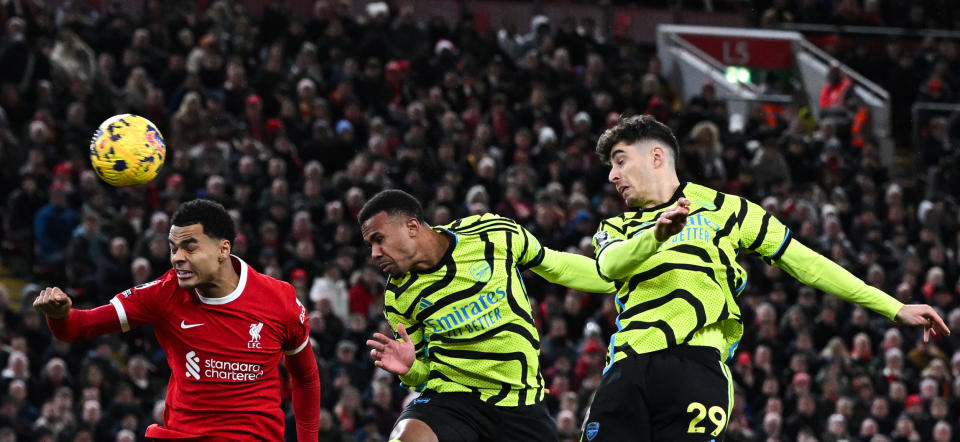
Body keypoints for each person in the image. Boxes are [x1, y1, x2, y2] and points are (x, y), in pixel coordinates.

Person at [580, 115, 949, 442]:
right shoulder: (615, 225)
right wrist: (656, 235)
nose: (613, 175)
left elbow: (810, 264)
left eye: (620, 161)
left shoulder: (732, 210)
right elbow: (610, 265)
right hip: (626, 370)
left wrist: (893, 307)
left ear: (656, 157)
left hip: (695, 367)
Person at [32, 199, 321, 441]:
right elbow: (78, 327)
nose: (177, 258)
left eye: (190, 248)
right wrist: (59, 316)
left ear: (223, 249)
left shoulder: (279, 300)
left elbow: (306, 378)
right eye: (173, 249)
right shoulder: (164, 293)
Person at [360, 189, 614, 442]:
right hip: (452, 399)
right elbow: (423, 375)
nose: (374, 253)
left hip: (520, 401)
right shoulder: (398, 296)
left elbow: (555, 265)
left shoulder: (490, 233)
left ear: (412, 227)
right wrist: (409, 369)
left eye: (379, 239)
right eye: (370, 244)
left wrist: (623, 279)